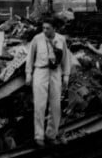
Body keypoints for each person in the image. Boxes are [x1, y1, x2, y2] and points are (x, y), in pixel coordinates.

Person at [25, 19, 72, 147]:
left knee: (55, 106)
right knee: (40, 106)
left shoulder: (61, 39)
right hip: (40, 72)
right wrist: (28, 74)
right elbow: (29, 57)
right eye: (43, 28)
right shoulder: (37, 39)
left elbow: (65, 59)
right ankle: (38, 136)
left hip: (55, 73)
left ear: (54, 28)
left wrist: (66, 76)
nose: (45, 30)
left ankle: (51, 134)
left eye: (48, 28)